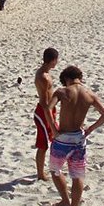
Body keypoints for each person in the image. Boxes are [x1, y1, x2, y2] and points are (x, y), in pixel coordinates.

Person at [44, 65, 104, 206]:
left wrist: (54, 130)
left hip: (62, 139)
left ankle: (65, 200)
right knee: (77, 175)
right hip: (79, 139)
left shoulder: (62, 91)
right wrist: (90, 129)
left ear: (66, 79)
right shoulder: (90, 94)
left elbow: (48, 109)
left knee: (55, 170)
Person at [33, 47, 59, 181]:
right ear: (53, 60)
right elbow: (44, 101)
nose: (57, 63)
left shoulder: (46, 73)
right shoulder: (43, 76)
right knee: (43, 144)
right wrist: (49, 116)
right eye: (56, 60)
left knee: (56, 138)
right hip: (43, 112)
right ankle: (40, 174)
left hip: (49, 111)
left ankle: (53, 167)